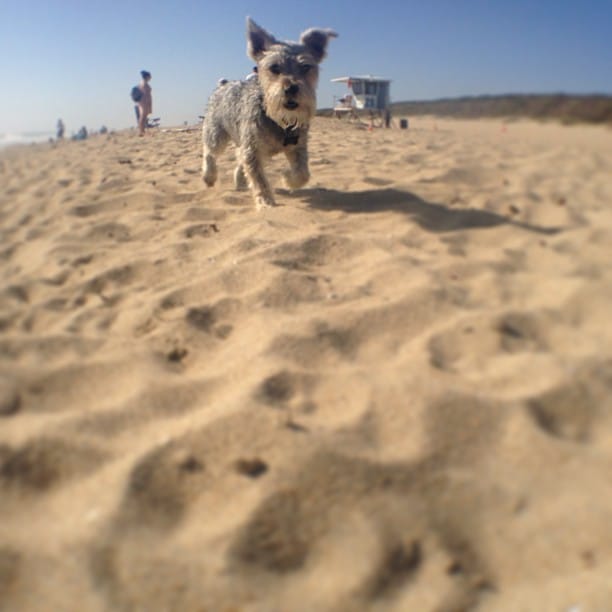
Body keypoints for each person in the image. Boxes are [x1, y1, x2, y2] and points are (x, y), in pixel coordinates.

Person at [136, 70, 152, 136]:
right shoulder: (144, 84)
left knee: (143, 117)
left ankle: (142, 131)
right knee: (143, 116)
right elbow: (146, 94)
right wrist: (148, 103)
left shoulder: (142, 83)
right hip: (144, 102)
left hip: (143, 102)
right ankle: (141, 131)